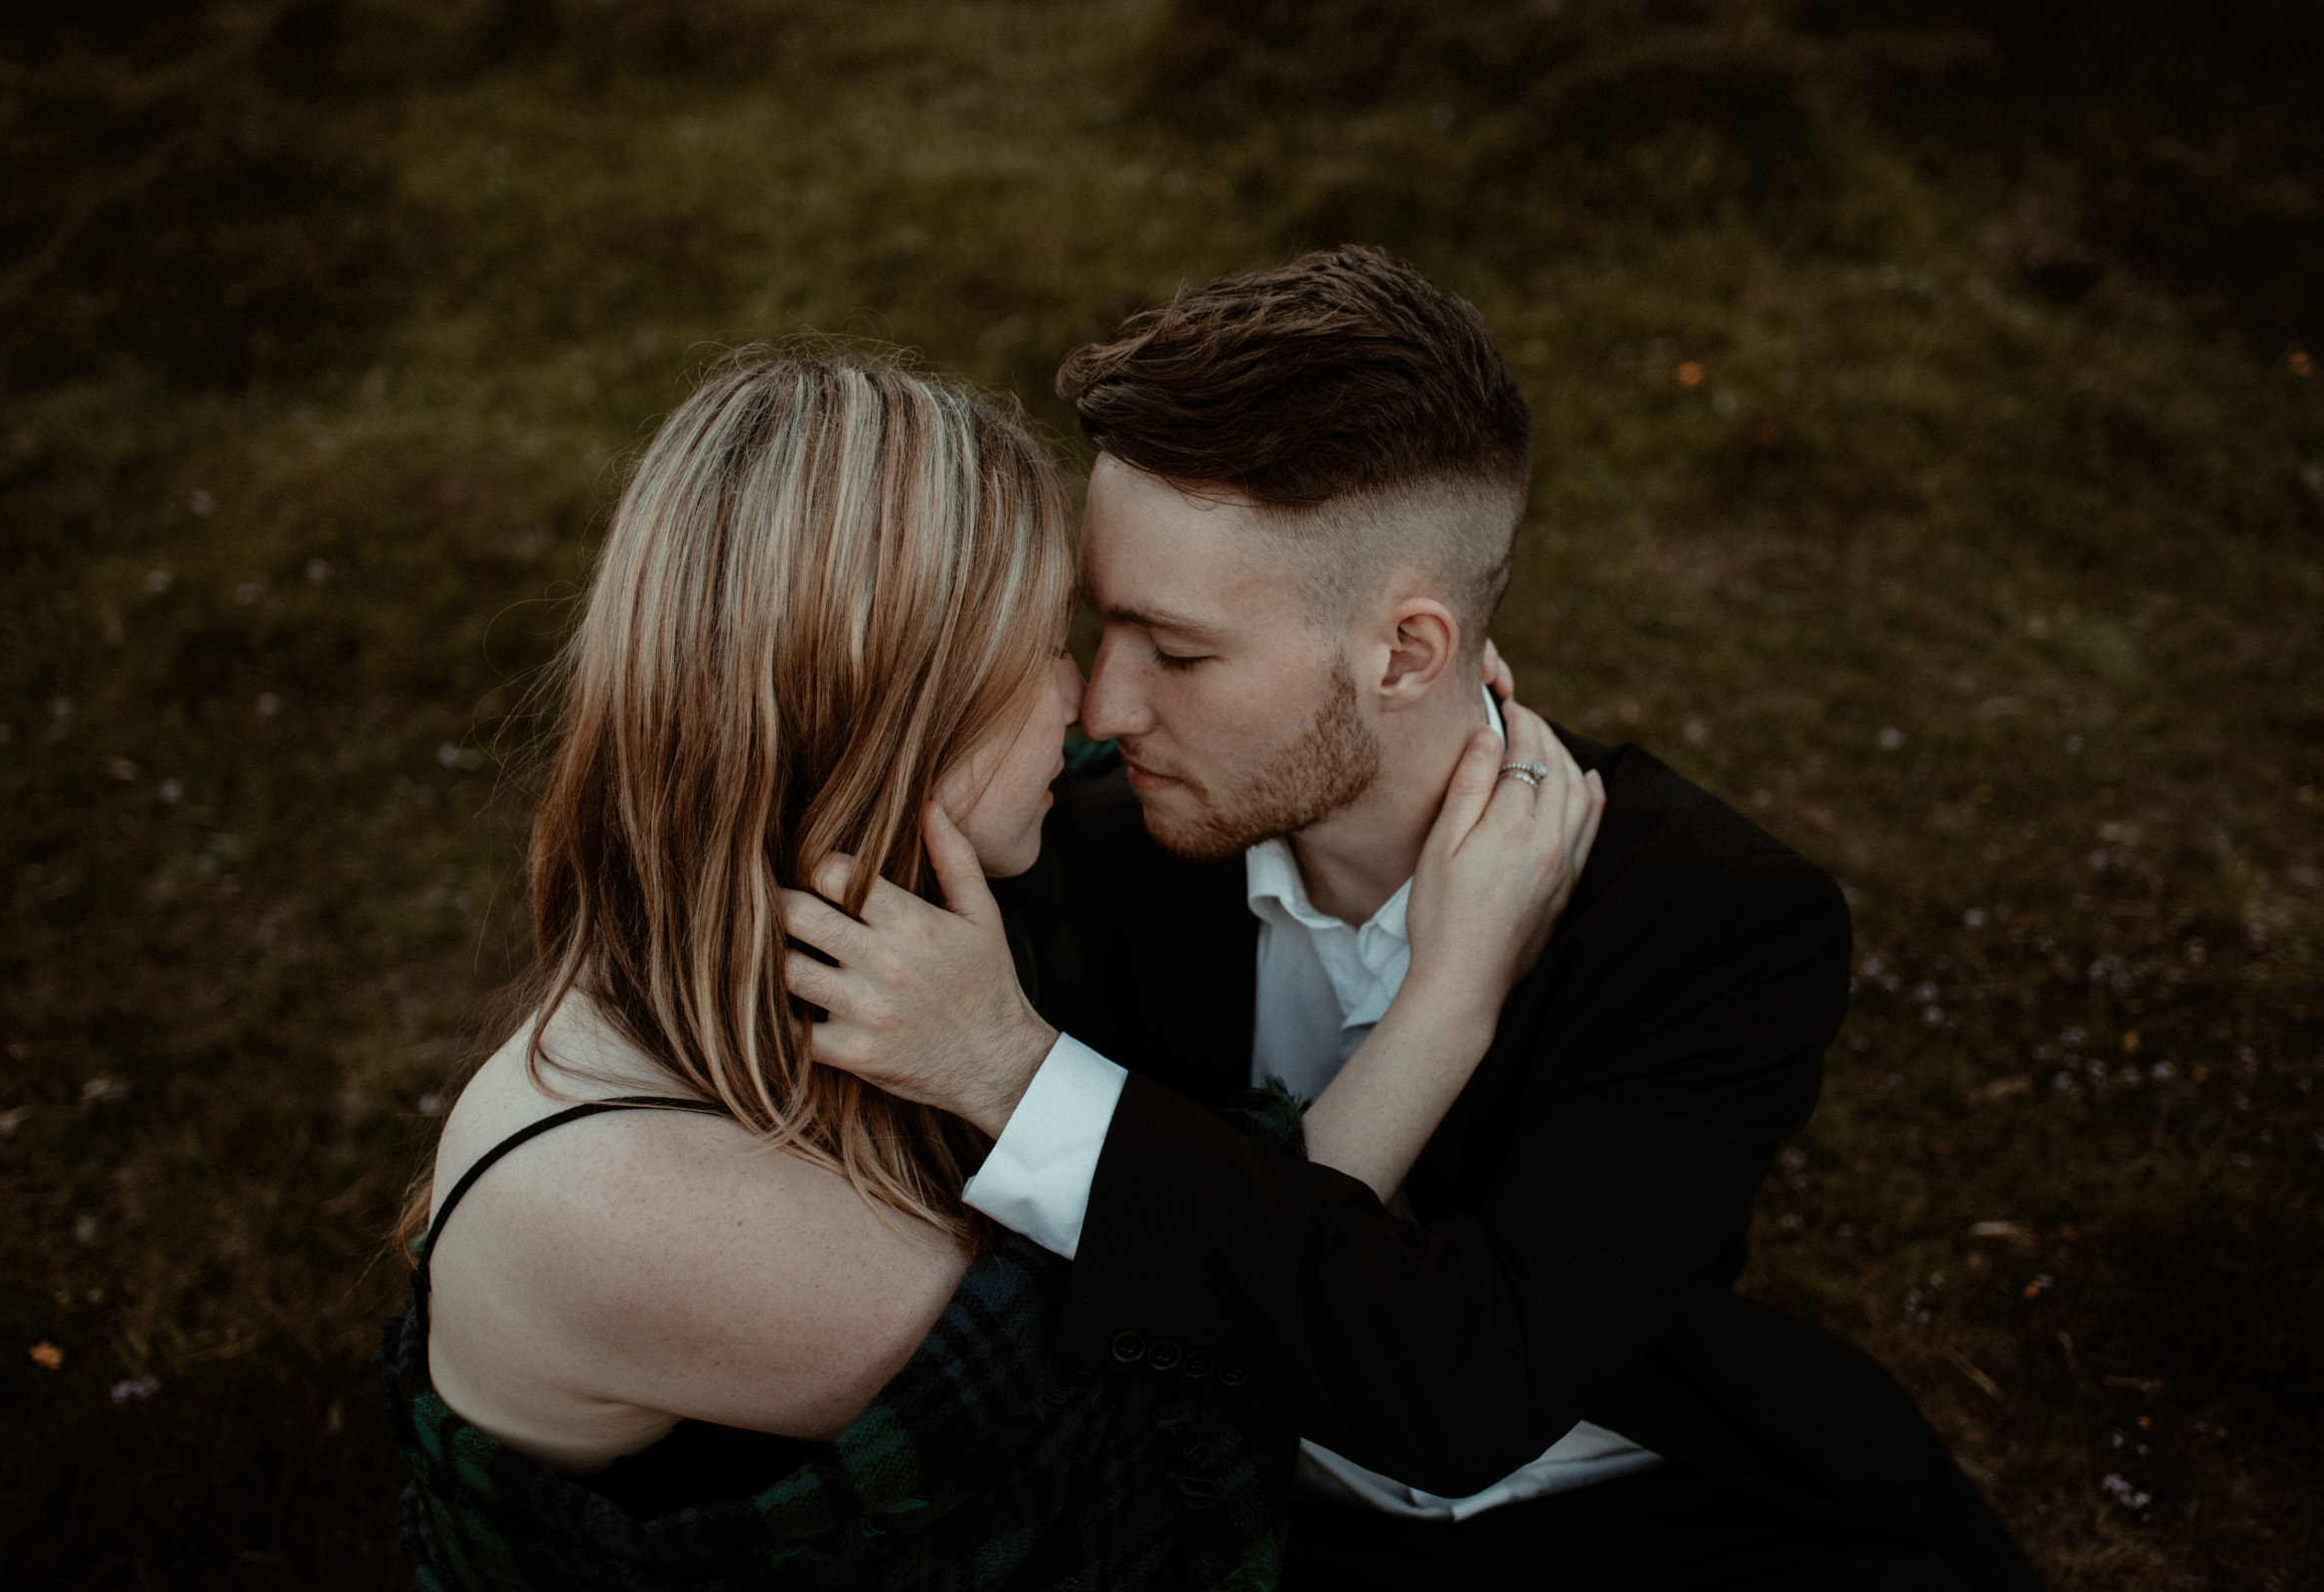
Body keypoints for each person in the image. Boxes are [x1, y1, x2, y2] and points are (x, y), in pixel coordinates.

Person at [786, 249, 2044, 1590]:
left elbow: (1475, 1386)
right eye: (1107, 629)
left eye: (1182, 651)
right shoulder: (1098, 845)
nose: (1105, 709)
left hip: (1615, 1495)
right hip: (1227, 1510)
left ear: (1405, 653)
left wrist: (1015, 1077)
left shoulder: (1714, 924)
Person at [381, 352, 1603, 1591]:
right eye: (1041, 649)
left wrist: (1386, 731)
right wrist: (1453, 993)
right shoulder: (634, 1207)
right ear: (892, 721)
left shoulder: (814, 926)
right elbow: (1187, 1396)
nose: (1086, 703)